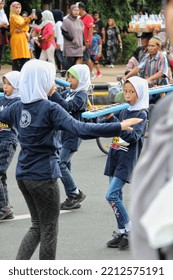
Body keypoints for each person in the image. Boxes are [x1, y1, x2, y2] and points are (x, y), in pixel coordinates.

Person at [0, 59, 141, 259]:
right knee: (48, 230)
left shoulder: (17, 107)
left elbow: (2, 115)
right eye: (50, 78)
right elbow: (81, 129)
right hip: (43, 176)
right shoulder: (49, 108)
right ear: (41, 81)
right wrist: (119, 126)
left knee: (37, 227)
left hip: (23, 175)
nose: (54, 83)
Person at [130, 0, 173, 260]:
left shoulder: (162, 60)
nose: (151, 46)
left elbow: (158, 75)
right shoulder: (146, 56)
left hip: (159, 89)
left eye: (154, 44)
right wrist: (131, 75)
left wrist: (146, 80)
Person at [103, 76, 149, 250]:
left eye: (132, 92)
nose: (127, 95)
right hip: (114, 157)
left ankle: (131, 230)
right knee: (116, 198)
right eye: (126, 91)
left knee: (111, 195)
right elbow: (110, 128)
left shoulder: (141, 115)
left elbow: (132, 137)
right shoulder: (123, 111)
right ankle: (122, 231)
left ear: (140, 93)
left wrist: (117, 123)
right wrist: (107, 118)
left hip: (126, 161)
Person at [49, 64, 89, 210]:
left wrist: (54, 93)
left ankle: (74, 193)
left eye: (73, 77)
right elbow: (56, 103)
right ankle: (72, 197)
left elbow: (67, 107)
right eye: (69, 76)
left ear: (82, 79)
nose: (69, 80)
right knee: (66, 165)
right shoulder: (68, 92)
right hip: (62, 133)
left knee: (60, 163)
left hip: (73, 134)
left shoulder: (81, 95)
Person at [123, 36, 169, 105]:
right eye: (149, 46)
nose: (150, 48)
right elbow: (138, 68)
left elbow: (161, 73)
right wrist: (126, 77)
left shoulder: (162, 57)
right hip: (150, 87)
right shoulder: (147, 56)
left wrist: (149, 79)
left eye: (153, 46)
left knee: (161, 106)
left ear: (158, 47)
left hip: (160, 88)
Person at [0, 70, 20, 221]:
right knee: (2, 175)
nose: (5, 87)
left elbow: (9, 117)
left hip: (8, 140)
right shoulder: (3, 100)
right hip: (1, 139)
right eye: (4, 83)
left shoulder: (18, 102)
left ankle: (3, 208)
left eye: (8, 84)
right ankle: (5, 206)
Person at [9, 1, 35, 71]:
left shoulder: (20, 17)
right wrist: (28, 19)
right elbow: (20, 25)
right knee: (18, 58)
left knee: (25, 57)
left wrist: (21, 29)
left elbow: (26, 27)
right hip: (17, 40)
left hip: (23, 39)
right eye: (16, 7)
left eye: (19, 7)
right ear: (13, 8)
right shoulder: (13, 17)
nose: (18, 9)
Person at [61, 4, 84, 70]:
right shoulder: (66, 21)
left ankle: (73, 77)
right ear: (71, 11)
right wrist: (71, 39)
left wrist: (83, 44)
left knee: (77, 63)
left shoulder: (80, 21)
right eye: (74, 10)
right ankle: (67, 77)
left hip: (78, 45)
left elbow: (82, 34)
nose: (76, 12)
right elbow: (64, 32)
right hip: (70, 45)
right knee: (70, 63)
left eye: (77, 10)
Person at [77, 2, 95, 79]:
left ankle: (92, 72)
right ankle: (80, 73)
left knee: (87, 58)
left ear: (81, 9)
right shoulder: (80, 18)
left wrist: (88, 41)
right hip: (81, 41)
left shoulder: (88, 17)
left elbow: (91, 30)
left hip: (86, 42)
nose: (76, 11)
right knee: (81, 57)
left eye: (77, 9)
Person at [0, 0, 9, 70]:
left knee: (0, 53)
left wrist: (6, 25)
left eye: (3, 3)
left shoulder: (3, 12)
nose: (2, 5)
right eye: (0, 3)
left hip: (2, 34)